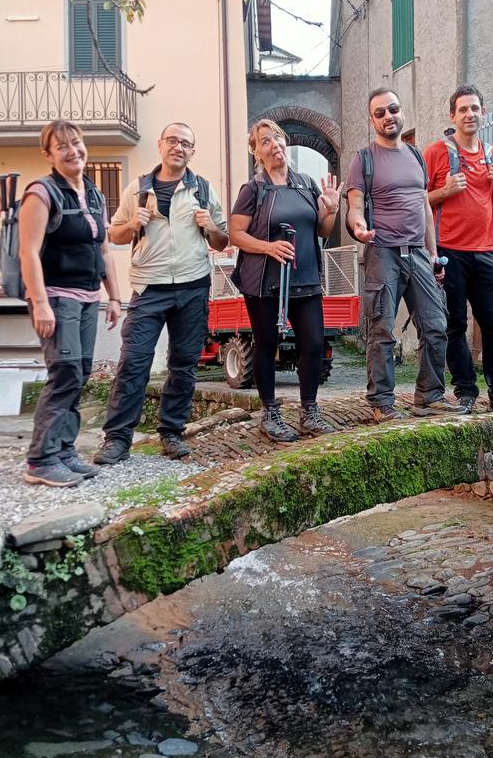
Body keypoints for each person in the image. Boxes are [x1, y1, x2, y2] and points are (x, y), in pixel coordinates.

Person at [93, 122, 228, 464]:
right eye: (173, 140)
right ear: (160, 144)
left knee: (183, 365)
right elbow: (115, 235)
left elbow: (222, 241)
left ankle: (171, 432)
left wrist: (210, 227)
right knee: (134, 362)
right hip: (148, 287)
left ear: (192, 151)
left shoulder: (203, 190)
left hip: (193, 285)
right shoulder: (137, 190)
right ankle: (117, 439)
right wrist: (131, 225)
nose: (178, 147)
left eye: (186, 142)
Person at [346, 89, 462, 423]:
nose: (387, 117)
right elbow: (355, 208)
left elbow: (425, 207)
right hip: (383, 253)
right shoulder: (363, 160)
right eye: (379, 113)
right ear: (373, 121)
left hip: (419, 254)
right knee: (381, 329)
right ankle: (382, 402)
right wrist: (359, 228)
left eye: (392, 110)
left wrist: (434, 254)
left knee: (437, 325)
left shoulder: (414, 155)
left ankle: (429, 396)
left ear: (402, 113)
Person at [19, 119, 121, 487]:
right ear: (48, 155)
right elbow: (28, 253)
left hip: (88, 298)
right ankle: (41, 460)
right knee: (63, 374)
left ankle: (64, 451)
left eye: (76, 143)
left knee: (78, 374)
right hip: (57, 299)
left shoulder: (93, 194)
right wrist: (40, 303)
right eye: (62, 146)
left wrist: (114, 296)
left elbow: (104, 249)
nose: (72, 151)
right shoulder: (42, 193)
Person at [229, 119, 342, 442]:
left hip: (305, 278)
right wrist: (268, 247)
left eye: (277, 138)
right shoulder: (253, 189)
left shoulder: (305, 183)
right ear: (256, 152)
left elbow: (321, 229)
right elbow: (236, 234)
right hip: (265, 282)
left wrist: (331, 209)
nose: (274, 145)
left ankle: (309, 412)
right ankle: (270, 414)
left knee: (314, 343)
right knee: (266, 346)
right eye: (265, 141)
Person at [425, 84, 493, 415]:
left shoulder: (492, 154)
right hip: (449, 250)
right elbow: (419, 200)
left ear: (483, 112)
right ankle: (465, 390)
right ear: (453, 115)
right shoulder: (436, 152)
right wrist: (444, 191)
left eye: (475, 108)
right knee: (454, 325)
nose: (470, 114)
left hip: (486, 250)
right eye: (463, 109)